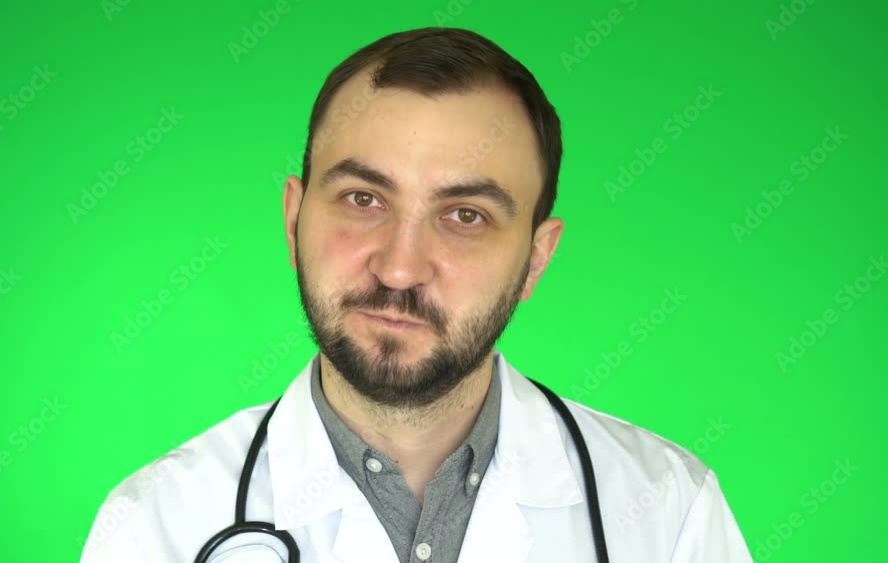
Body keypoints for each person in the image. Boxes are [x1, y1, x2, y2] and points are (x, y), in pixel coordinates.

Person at [80, 27, 753, 563]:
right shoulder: (155, 525)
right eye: (363, 199)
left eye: (465, 215)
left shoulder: (669, 513)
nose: (400, 269)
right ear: (293, 220)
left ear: (535, 260)